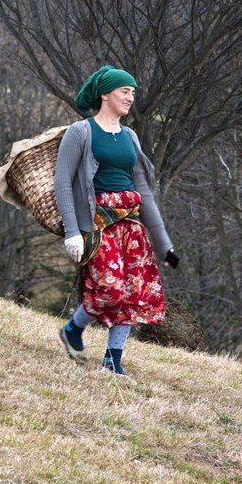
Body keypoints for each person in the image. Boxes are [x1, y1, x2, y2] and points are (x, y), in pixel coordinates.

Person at [55, 65, 180, 377]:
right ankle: (73, 328)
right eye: (125, 91)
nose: (130, 97)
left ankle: (113, 361)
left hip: (131, 224)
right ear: (105, 94)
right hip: (99, 224)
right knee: (110, 289)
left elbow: (145, 193)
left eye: (133, 92)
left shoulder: (130, 137)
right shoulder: (80, 132)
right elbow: (62, 182)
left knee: (132, 289)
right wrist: (72, 232)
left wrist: (164, 245)